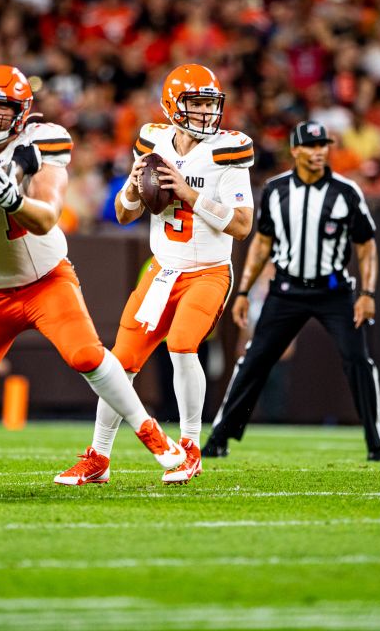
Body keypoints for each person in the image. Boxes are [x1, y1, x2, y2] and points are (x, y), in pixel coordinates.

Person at [0, 65, 185, 498]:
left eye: (3, 108)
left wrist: (11, 194)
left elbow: (48, 214)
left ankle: (150, 432)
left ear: (22, 112)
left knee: (87, 355)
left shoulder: (44, 141)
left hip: (43, 280)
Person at [54, 63, 254, 485]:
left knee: (182, 346)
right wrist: (130, 188)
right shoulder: (152, 140)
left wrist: (187, 192)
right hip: (162, 271)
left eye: (208, 103)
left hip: (208, 272)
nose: (205, 112)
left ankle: (191, 447)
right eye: (195, 104)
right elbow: (126, 215)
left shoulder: (228, 149)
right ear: (172, 106)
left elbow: (241, 225)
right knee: (117, 363)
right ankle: (98, 457)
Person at [201, 122, 380, 462]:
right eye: (311, 145)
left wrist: (368, 293)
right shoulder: (276, 190)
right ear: (295, 150)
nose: (318, 151)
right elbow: (262, 244)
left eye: (323, 145)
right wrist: (243, 291)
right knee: (253, 361)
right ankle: (219, 438)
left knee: (359, 361)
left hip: (334, 290)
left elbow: (366, 245)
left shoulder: (346, 191)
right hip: (286, 289)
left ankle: (377, 444)